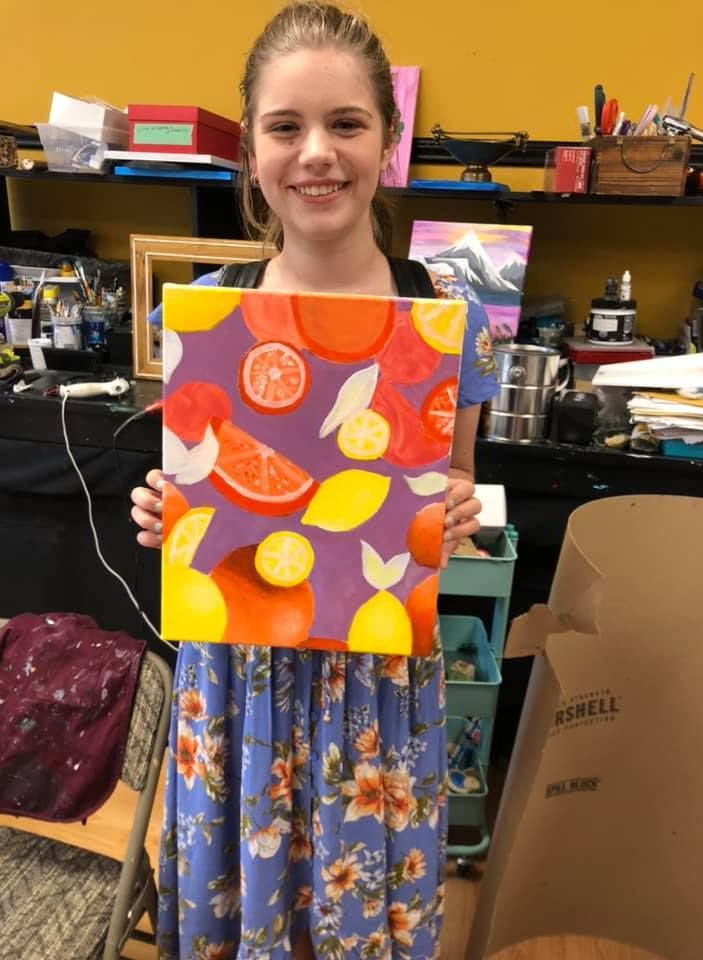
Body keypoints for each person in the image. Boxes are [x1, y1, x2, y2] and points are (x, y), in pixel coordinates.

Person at [130, 4, 499, 958]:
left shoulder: (447, 329)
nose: (316, 154)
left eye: (345, 123)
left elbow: (452, 487)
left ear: (388, 139)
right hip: (239, 675)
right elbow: (204, 490)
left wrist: (454, 512)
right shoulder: (210, 314)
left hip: (373, 683)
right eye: (285, 126)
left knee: (354, 916)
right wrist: (162, 511)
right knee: (239, 908)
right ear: (250, 148)